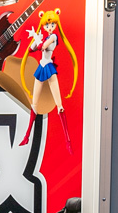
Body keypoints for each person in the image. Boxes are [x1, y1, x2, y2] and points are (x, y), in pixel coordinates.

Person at [18, 9, 77, 151]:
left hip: (49, 69)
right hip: (41, 67)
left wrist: (37, 39)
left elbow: (43, 47)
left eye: (51, 25)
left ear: (55, 25)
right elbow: (32, 49)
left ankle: (67, 140)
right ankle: (27, 136)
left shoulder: (54, 37)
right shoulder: (43, 37)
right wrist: (35, 38)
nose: (49, 28)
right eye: (47, 25)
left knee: (59, 105)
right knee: (35, 104)